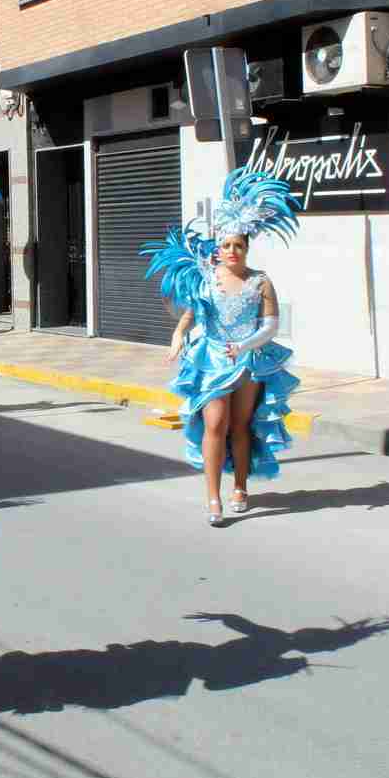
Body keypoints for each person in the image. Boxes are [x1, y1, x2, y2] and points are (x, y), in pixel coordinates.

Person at [143, 169, 302, 527]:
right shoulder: (207, 279)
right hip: (212, 359)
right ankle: (213, 497)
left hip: (249, 361)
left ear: (247, 248)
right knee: (215, 422)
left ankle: (241, 487)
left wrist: (244, 345)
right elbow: (190, 314)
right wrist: (178, 335)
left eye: (239, 246)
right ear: (219, 248)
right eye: (227, 245)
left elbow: (271, 325)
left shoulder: (260, 281)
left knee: (241, 425)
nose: (232, 251)